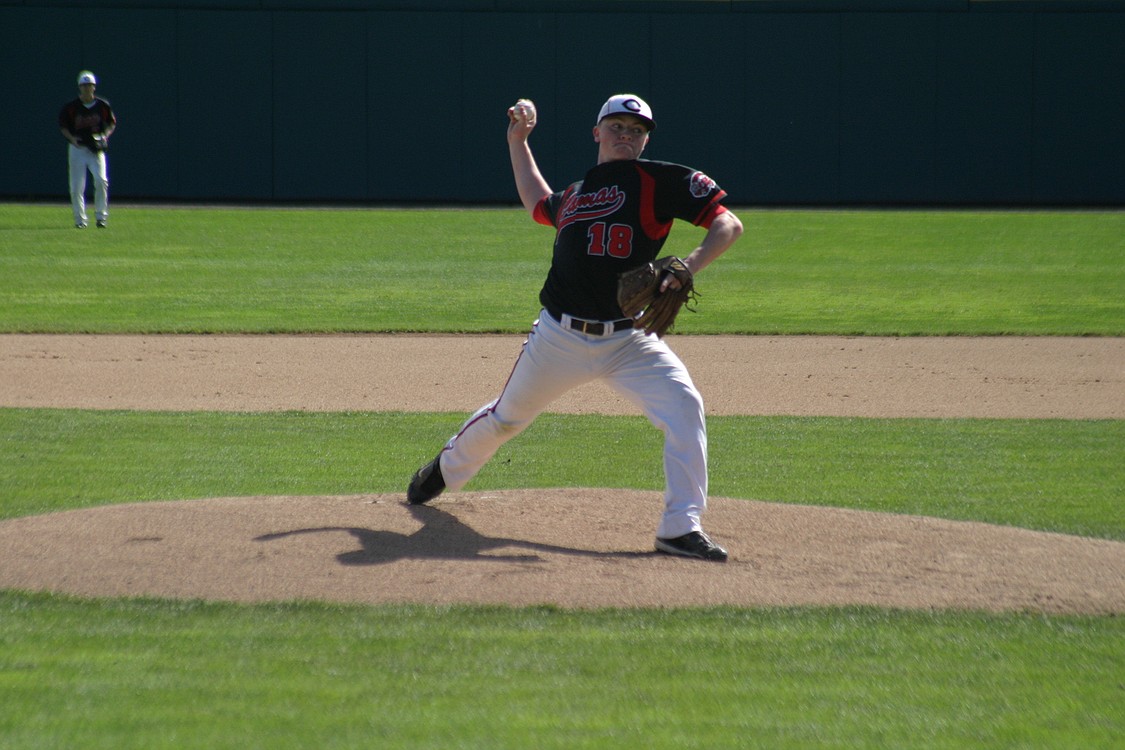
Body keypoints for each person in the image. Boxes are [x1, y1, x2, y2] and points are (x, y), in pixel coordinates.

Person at [407, 94, 743, 562]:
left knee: (685, 407)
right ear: (597, 133)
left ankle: (680, 528)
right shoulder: (578, 193)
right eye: (618, 126)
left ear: (646, 139)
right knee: (506, 418)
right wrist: (517, 141)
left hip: (630, 340)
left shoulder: (661, 180)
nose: (627, 135)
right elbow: (537, 202)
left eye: (637, 130)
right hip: (558, 338)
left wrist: (689, 264)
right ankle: (443, 470)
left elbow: (728, 224)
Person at [58, 70, 116, 229]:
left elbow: (111, 123)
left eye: (89, 85)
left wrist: (105, 135)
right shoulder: (71, 107)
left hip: (96, 148)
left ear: (94, 87)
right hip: (78, 148)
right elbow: (63, 126)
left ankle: (101, 217)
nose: (86, 88)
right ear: (79, 87)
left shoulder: (102, 105)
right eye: (84, 86)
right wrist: (71, 139)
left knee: (101, 180)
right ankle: (80, 220)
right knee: (77, 186)